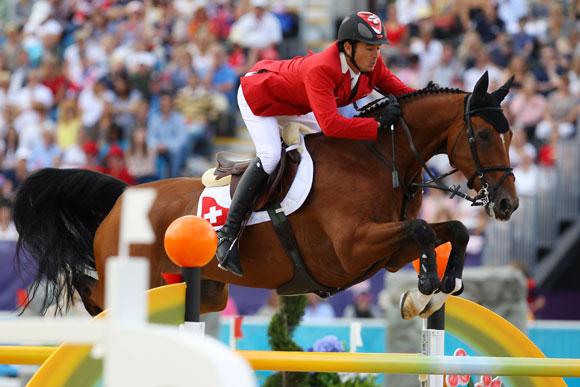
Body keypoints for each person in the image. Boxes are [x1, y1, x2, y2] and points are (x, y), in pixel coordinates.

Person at [216, 12, 414, 277]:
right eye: (370, 48)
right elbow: (333, 125)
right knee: (271, 155)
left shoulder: (370, 65)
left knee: (324, 147)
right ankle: (227, 236)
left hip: (295, 104)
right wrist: (377, 125)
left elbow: (406, 94)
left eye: (378, 48)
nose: (376, 55)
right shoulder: (324, 68)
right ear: (348, 47)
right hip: (260, 97)